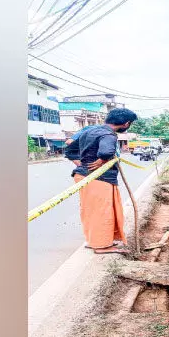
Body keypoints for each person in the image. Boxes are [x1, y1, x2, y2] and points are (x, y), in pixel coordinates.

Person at [71, 108, 138, 255]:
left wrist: (82, 165)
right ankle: (101, 246)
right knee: (102, 211)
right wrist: (101, 160)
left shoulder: (89, 130)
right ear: (126, 123)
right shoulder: (109, 134)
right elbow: (106, 151)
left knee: (92, 210)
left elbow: (69, 149)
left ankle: (96, 240)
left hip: (85, 176)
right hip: (99, 179)